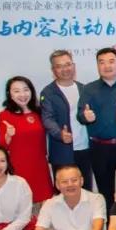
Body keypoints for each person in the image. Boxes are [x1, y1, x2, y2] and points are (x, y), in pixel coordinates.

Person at [77, 47, 116, 209]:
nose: (107, 66)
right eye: (102, 62)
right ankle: (108, 222)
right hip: (100, 148)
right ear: (98, 66)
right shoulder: (89, 89)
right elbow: (80, 114)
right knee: (105, 191)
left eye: (111, 61)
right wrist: (85, 116)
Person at [40, 50, 91, 190]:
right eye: (59, 66)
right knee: (64, 192)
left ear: (73, 66)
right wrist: (60, 134)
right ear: (53, 70)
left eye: (68, 64)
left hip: (84, 148)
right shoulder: (48, 92)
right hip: (62, 151)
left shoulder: (84, 89)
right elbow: (47, 119)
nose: (65, 69)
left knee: (86, 190)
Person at [0, 76, 53, 204]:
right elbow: (2, 146)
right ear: (10, 94)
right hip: (19, 167)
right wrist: (8, 135)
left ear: (31, 91)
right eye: (16, 91)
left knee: (45, 204)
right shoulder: (5, 115)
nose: (22, 94)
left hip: (40, 166)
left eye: (25, 90)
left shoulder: (38, 112)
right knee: (23, 203)